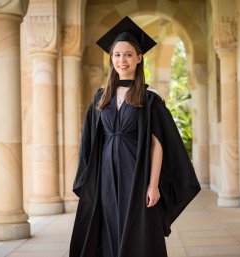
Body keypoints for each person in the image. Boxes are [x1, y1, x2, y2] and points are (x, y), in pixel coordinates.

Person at [69, 16, 201, 257]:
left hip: (137, 174)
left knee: (138, 232)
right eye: (117, 54)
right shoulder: (100, 99)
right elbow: (88, 143)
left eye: (128, 54)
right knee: (108, 229)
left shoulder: (149, 98)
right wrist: (90, 181)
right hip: (106, 176)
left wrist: (153, 185)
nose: (122, 60)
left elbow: (157, 144)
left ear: (139, 58)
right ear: (111, 58)